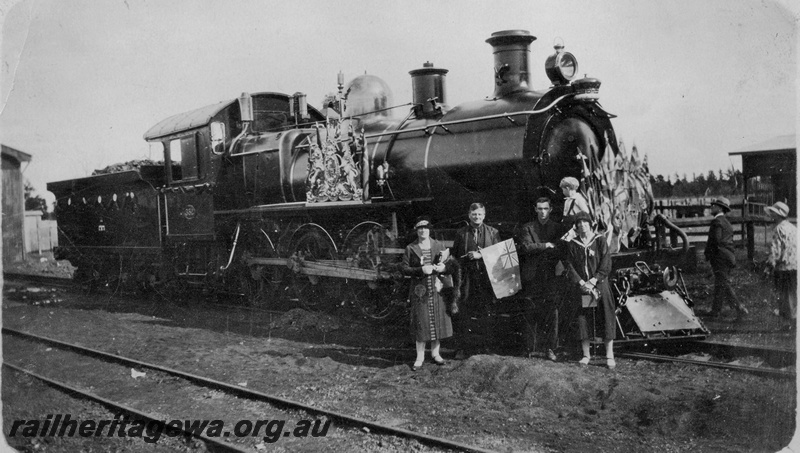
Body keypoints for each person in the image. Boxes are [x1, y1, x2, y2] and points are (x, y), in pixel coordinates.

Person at [562, 212, 617, 369]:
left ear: (590, 224)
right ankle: (586, 355)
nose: (582, 226)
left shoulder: (599, 240)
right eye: (579, 224)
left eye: (585, 223)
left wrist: (593, 280)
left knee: (606, 316)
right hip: (582, 287)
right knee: (583, 320)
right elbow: (569, 265)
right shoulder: (573, 244)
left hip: (599, 284)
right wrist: (581, 282)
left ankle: (609, 356)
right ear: (576, 226)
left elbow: (606, 262)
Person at [401, 217, 455, 371]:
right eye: (420, 228)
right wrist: (420, 270)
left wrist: (442, 268)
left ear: (430, 230)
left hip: (437, 288)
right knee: (422, 321)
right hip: (420, 290)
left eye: (425, 228)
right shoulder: (410, 248)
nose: (423, 230)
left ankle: (436, 353)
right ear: (416, 231)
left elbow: (450, 264)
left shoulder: (439, 245)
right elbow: (404, 269)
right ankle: (420, 356)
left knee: (437, 319)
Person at [517, 197, 565, 361]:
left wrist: (542, 248)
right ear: (535, 209)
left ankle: (550, 348)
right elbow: (526, 247)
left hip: (551, 275)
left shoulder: (557, 228)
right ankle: (529, 348)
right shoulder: (528, 228)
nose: (543, 212)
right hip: (532, 276)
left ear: (550, 209)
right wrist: (546, 246)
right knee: (530, 311)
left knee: (552, 313)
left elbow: (560, 249)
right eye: (540, 209)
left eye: (546, 208)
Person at [452, 203, 501, 356]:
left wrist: (482, 255)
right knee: (464, 311)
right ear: (469, 215)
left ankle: (486, 346)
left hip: (486, 279)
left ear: (484, 215)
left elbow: (500, 255)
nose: (477, 217)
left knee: (486, 311)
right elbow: (455, 256)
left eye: (479, 214)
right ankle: (463, 347)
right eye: (474, 214)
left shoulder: (493, 233)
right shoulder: (461, 233)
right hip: (467, 278)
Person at [703, 197, 748, 319]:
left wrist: (708, 255)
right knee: (721, 284)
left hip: (719, 257)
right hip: (727, 257)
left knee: (723, 284)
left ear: (720, 208)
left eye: (714, 205)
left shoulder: (717, 222)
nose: (712, 207)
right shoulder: (727, 223)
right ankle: (715, 311)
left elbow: (716, 241)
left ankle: (739, 307)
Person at [764, 201, 796, 329]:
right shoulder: (793, 228)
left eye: (773, 213)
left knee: (784, 295)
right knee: (793, 293)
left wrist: (769, 266)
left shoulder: (778, 229)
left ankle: (787, 322)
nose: (771, 215)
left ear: (778, 215)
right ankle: (793, 319)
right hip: (795, 265)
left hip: (784, 267)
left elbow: (775, 251)